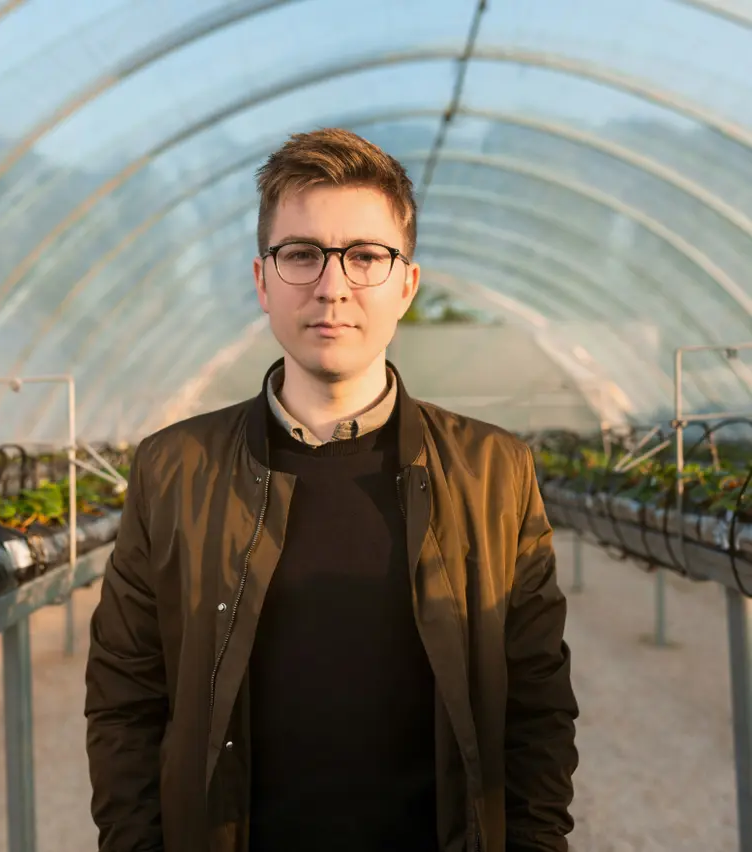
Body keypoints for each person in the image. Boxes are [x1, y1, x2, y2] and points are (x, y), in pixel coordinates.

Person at [84, 128, 579, 852]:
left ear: (405, 284)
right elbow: (126, 699)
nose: (333, 285)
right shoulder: (173, 469)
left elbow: (537, 702)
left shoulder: (492, 470)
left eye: (366, 256)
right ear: (262, 280)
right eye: (302, 254)